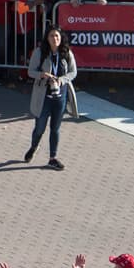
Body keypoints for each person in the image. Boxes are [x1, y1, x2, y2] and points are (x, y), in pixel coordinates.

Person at [25, 25, 77, 169]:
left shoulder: (66, 53)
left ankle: (52, 158)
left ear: (61, 38)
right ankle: (34, 147)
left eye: (57, 36)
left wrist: (61, 80)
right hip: (44, 97)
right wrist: (42, 75)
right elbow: (30, 71)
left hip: (60, 97)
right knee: (39, 128)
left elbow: (73, 72)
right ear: (47, 38)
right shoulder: (40, 52)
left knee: (55, 128)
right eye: (51, 36)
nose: (55, 39)